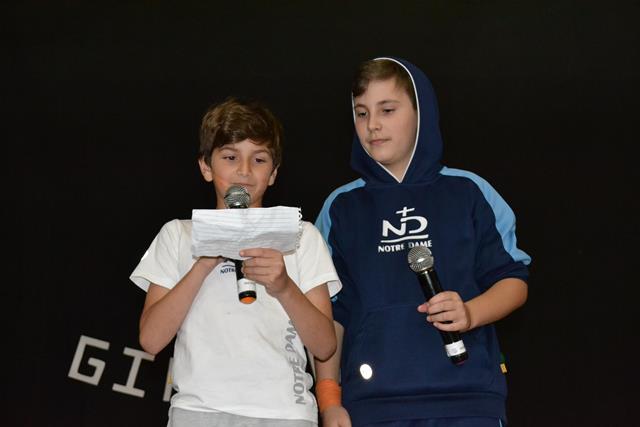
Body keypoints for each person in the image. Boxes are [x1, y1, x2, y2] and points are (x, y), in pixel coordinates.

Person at [313, 57, 531, 427]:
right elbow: (330, 314)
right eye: (362, 113)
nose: (373, 124)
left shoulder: (469, 191)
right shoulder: (341, 207)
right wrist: (330, 399)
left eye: (387, 110)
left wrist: (470, 313)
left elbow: (513, 282)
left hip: (468, 400)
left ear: (422, 112)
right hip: (373, 406)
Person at [130, 97, 341, 427]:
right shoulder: (179, 235)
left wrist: (284, 287)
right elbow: (151, 340)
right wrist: (202, 264)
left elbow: (325, 346)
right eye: (230, 157)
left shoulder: (301, 237)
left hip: (284, 414)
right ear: (206, 167)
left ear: (273, 173)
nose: (244, 171)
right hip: (198, 412)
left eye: (259, 159)